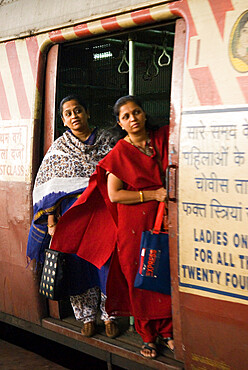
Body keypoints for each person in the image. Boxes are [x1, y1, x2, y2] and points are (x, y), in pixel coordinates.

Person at [51, 95, 174, 359]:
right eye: (126, 116)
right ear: (119, 123)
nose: (133, 119)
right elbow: (115, 195)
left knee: (164, 275)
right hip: (133, 225)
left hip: (163, 219)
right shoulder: (119, 151)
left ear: (144, 114)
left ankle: (167, 330)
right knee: (140, 279)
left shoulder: (163, 140)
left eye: (136, 112)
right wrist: (152, 195)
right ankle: (148, 335)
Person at [26, 94, 119, 339]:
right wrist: (51, 222)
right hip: (72, 219)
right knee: (79, 267)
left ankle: (110, 316)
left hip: (104, 216)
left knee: (106, 264)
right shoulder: (59, 149)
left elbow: (120, 172)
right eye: (68, 113)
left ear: (87, 113)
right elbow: (47, 188)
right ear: (64, 121)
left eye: (78, 110)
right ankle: (86, 317)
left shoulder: (109, 141)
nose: (74, 116)